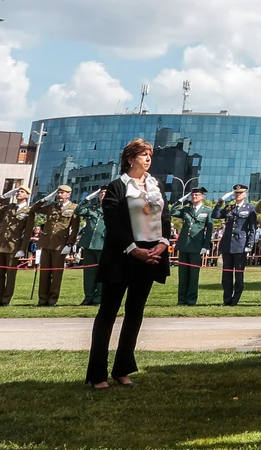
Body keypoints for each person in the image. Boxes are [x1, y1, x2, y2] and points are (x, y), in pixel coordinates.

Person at [86, 138, 172, 388]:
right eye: (144, 154)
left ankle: (123, 369)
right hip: (122, 256)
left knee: (135, 313)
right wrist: (133, 249)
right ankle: (97, 375)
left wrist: (163, 243)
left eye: (150, 155)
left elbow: (165, 216)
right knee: (108, 313)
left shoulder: (156, 186)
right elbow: (113, 223)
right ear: (130, 158)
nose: (148, 159)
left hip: (151, 254)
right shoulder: (117, 186)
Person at [32, 184, 78, 306]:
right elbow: (34, 209)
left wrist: (69, 243)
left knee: (57, 274)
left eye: (63, 193)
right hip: (47, 243)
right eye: (58, 193)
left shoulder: (73, 208)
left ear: (69, 194)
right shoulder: (51, 206)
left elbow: (74, 228)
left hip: (60, 245)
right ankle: (42, 299)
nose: (59, 195)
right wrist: (46, 198)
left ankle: (52, 299)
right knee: (44, 273)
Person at [0, 185, 32, 306]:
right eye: (17, 191)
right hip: (1, 244)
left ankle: (6, 300)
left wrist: (22, 249)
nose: (18, 193)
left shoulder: (29, 211)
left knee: (11, 275)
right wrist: (3, 196)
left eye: (22, 192)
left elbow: (28, 233)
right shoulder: (10, 207)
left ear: (27, 195)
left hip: (14, 245)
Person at [216, 184, 257, 306]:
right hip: (228, 244)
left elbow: (252, 228)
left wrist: (250, 244)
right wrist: (219, 203)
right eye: (236, 193)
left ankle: (235, 299)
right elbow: (216, 215)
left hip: (240, 245)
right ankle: (227, 299)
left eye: (240, 193)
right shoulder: (230, 207)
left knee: (239, 274)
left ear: (245, 194)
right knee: (226, 274)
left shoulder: (249, 208)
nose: (238, 195)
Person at [171, 187, 212, 305]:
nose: (194, 197)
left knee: (194, 275)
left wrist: (205, 246)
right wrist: (180, 201)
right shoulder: (186, 210)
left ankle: (191, 299)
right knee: (183, 275)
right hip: (184, 245)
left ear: (202, 196)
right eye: (193, 195)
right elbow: (172, 211)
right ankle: (181, 300)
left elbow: (209, 230)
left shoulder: (207, 211)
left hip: (197, 246)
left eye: (197, 195)